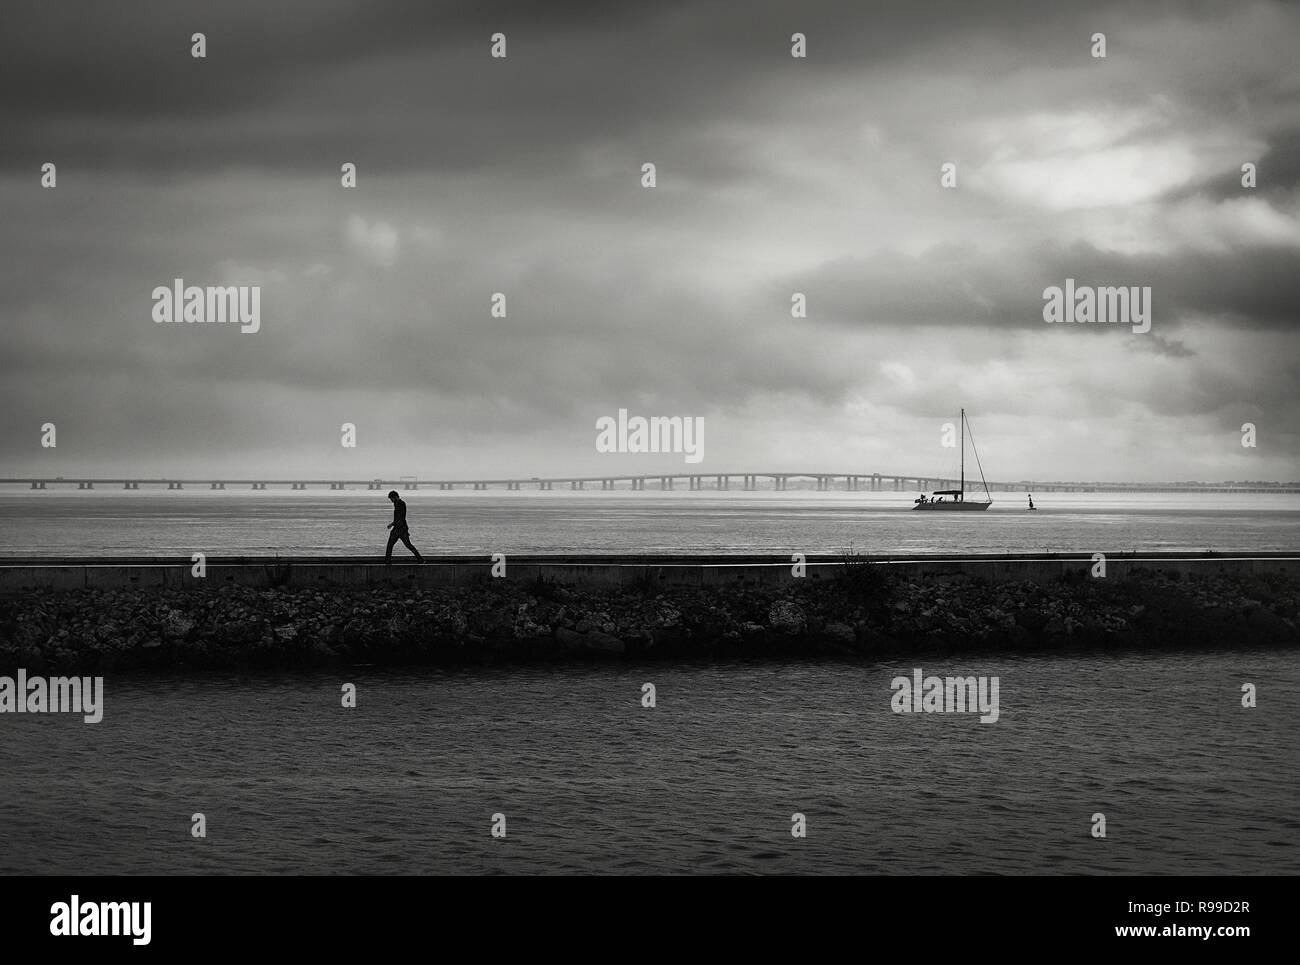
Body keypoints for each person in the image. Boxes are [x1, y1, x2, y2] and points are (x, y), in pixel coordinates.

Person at [385, 490, 424, 564]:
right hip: (398, 528)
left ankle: (420, 559)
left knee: (408, 545)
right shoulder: (396, 503)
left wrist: (392, 524)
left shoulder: (401, 504)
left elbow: (401, 517)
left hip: (401, 529)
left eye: (391, 499)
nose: (391, 500)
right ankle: (387, 561)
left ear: (395, 497)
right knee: (391, 545)